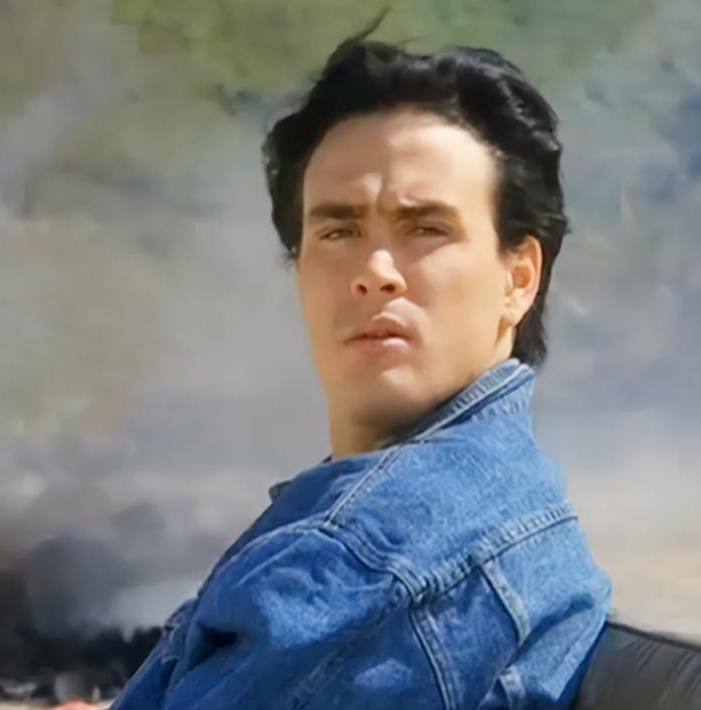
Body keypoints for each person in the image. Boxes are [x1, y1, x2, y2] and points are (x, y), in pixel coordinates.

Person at [111, 34, 612, 709]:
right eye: (338, 232)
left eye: (426, 228)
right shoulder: (498, 501)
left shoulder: (379, 561)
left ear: (518, 278)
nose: (375, 273)